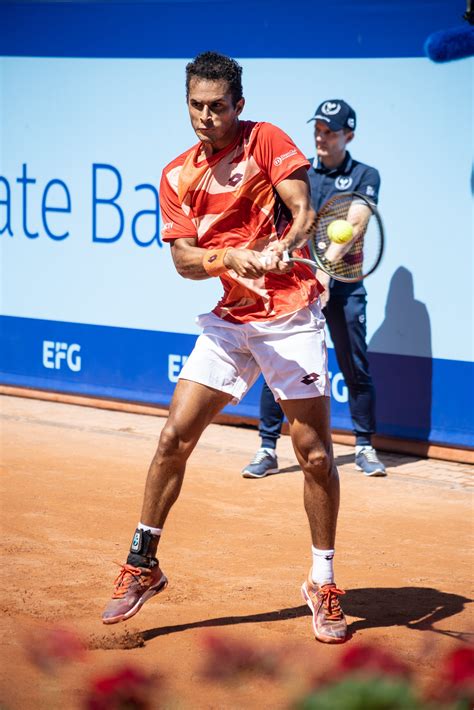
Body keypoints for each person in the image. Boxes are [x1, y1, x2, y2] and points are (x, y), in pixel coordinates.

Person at [101, 53, 347, 644]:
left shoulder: (266, 140)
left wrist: (283, 245)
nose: (205, 117)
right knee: (172, 437)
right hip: (230, 319)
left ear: (238, 104)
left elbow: (304, 211)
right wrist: (230, 258)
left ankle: (323, 579)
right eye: (196, 106)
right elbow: (185, 261)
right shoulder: (176, 175)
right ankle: (143, 562)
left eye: (217, 107)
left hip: (289, 314)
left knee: (311, 451)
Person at [242, 99, 387, 480]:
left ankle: (363, 446)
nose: (321, 139)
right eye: (318, 131)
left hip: (344, 289)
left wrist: (326, 272)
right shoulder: (301, 171)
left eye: (330, 132)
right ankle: (267, 448)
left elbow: (355, 224)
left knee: (355, 366)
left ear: (348, 135)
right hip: (296, 291)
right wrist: (281, 251)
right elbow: (290, 224)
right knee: (281, 366)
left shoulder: (366, 175)